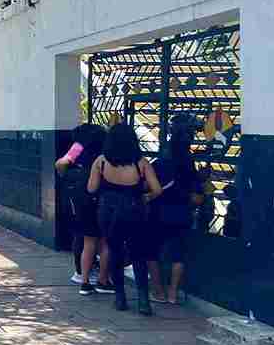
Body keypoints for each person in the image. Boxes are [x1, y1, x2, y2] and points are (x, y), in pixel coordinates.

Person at [87, 123, 162, 314]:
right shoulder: (141, 163)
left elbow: (91, 188)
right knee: (138, 255)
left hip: (108, 212)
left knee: (115, 252)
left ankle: (120, 298)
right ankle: (144, 301)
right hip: (135, 211)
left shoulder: (101, 162)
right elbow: (157, 190)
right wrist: (146, 196)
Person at [146, 114, 203, 304]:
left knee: (152, 251)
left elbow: (152, 183)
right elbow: (196, 193)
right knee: (178, 254)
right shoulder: (188, 160)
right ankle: (172, 293)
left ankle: (157, 291)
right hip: (181, 211)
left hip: (158, 210)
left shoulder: (163, 158)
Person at [55, 123, 109, 295]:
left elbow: (61, 164)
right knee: (103, 239)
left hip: (80, 193)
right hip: (102, 193)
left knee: (84, 236)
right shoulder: (106, 147)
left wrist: (68, 176)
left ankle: (82, 275)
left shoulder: (78, 146)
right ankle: (103, 278)